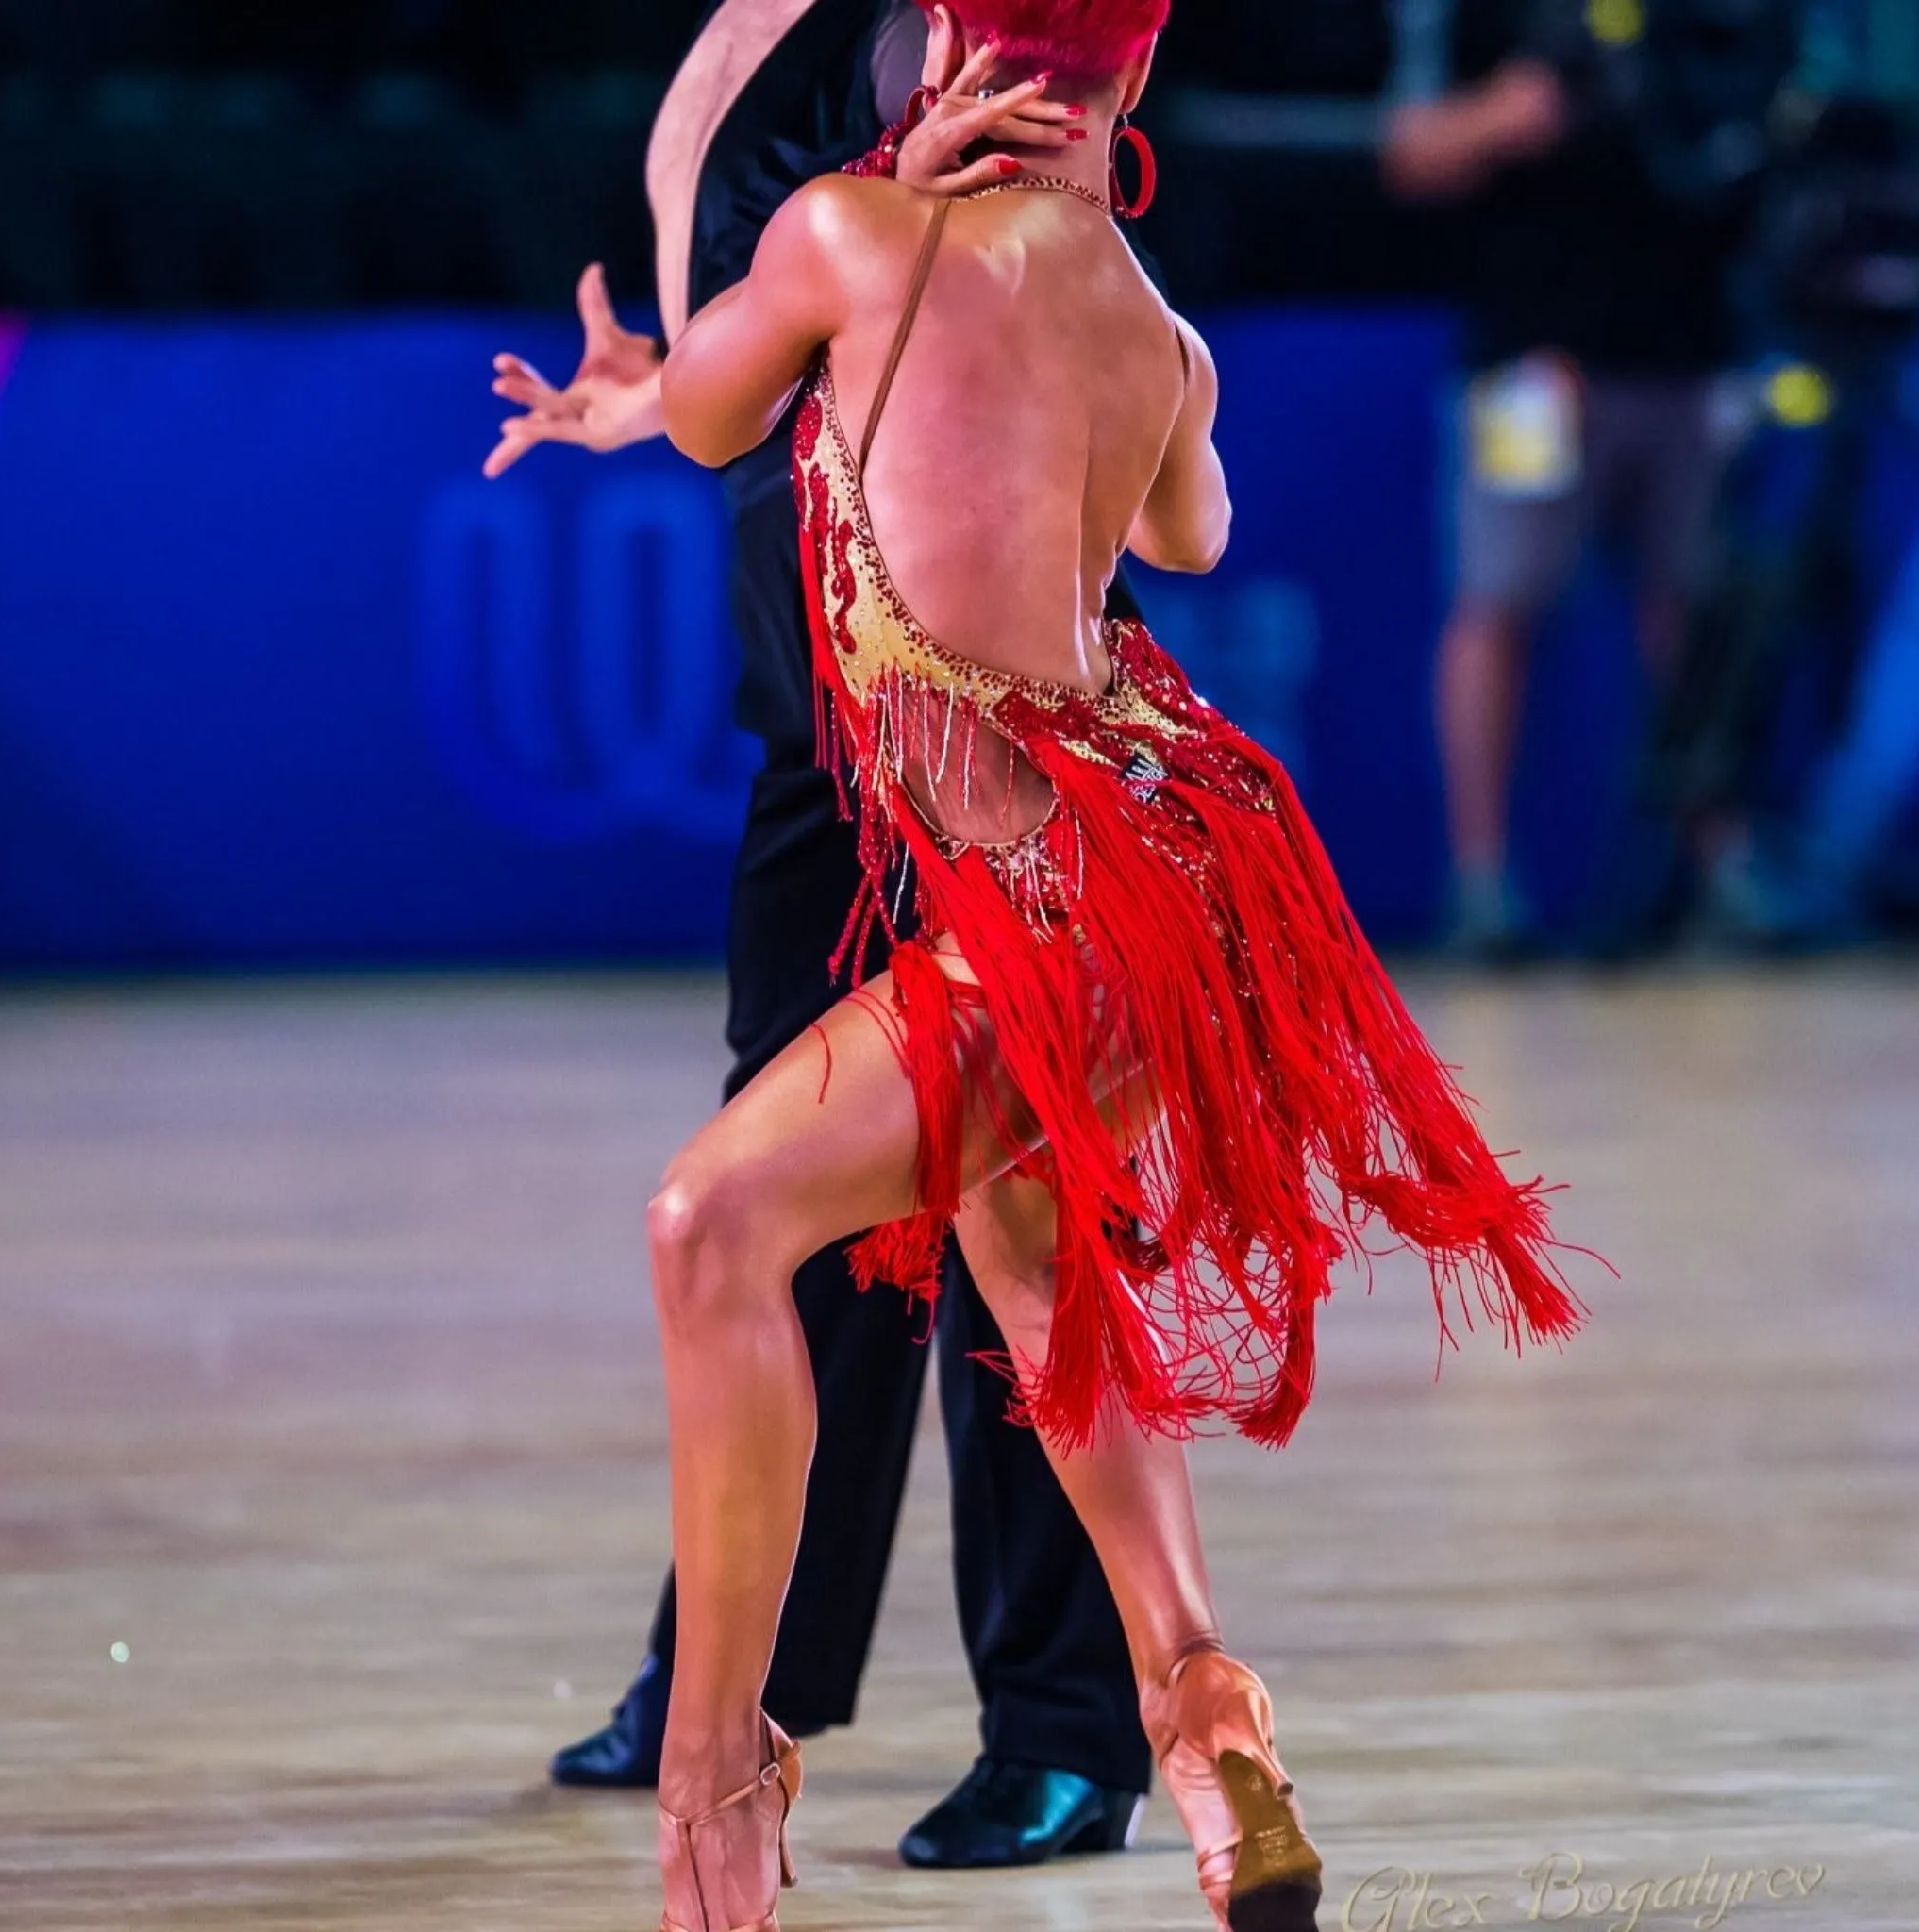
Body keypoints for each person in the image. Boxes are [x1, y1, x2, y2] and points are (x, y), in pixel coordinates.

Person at [646, 3, 1589, 1929]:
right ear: (1126, 92)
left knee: (708, 1227)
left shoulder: (847, 234)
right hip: (1182, 882)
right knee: (1019, 1254)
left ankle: (713, 1774)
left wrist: (882, 223)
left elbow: (700, 412)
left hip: (1059, 909)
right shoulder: (1163, 333)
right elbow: (1190, 521)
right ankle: (1203, 1707)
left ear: (937, 67)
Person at [485, 0, 1153, 1869]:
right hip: (818, 676)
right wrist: (667, 388)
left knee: (1015, 1189)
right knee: (794, 1188)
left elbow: (1039, 231)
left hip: (967, 689)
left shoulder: (965, 18)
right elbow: (775, 329)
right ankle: (743, 1673)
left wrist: (888, 210)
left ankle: (1070, 1721)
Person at [1383, 0, 1787, 958]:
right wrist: (1502, 117)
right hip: (1532, 366)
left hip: (1689, 362)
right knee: (1499, 604)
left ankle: (1715, 871)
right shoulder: (1495, 19)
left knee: (1689, 618)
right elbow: (1408, 155)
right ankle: (1480, 886)